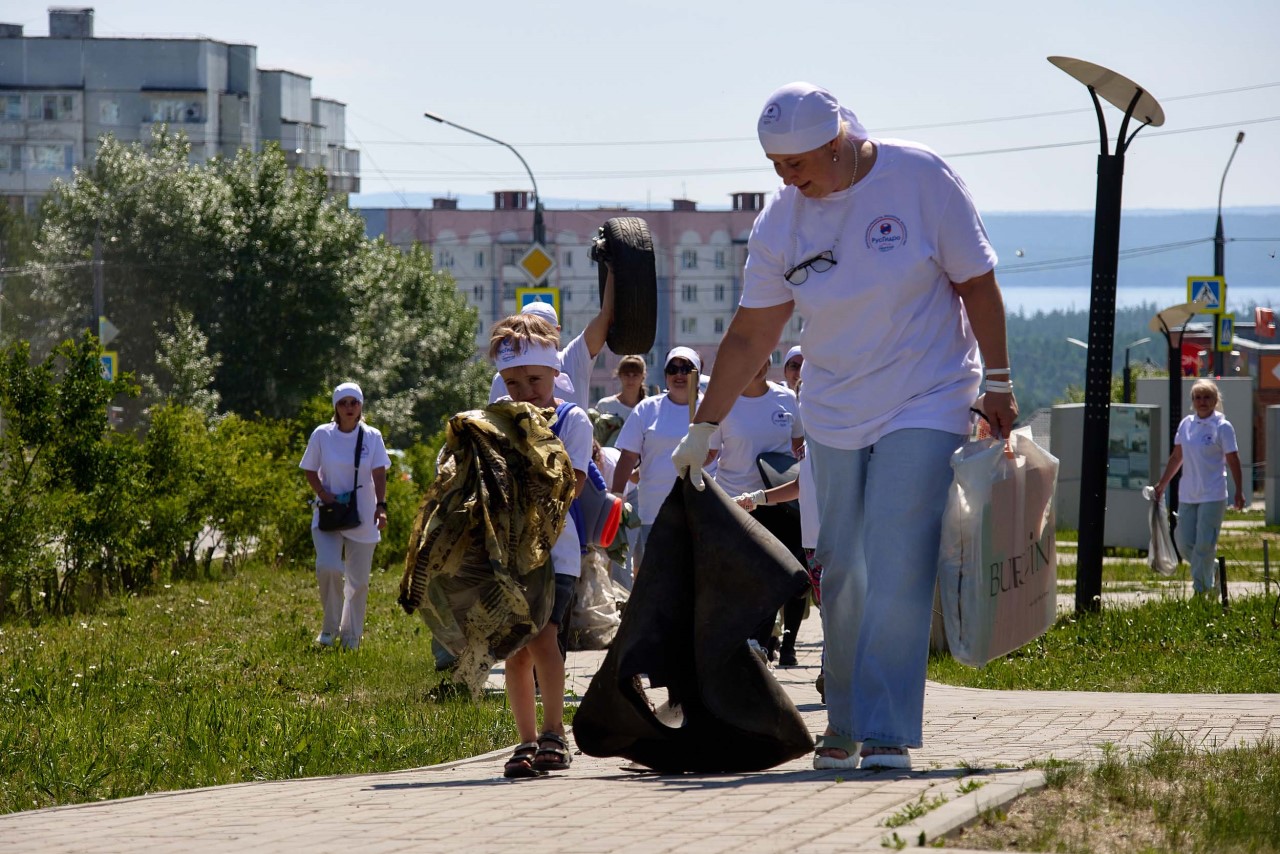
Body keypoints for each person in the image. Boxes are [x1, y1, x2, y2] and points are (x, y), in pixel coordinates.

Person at [672, 82, 1017, 771]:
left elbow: (976, 282)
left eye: (796, 164)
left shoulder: (919, 177)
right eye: (776, 166)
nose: (786, 177)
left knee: (895, 553)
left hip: (927, 393)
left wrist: (1001, 383)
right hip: (833, 406)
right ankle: (845, 722)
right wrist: (705, 426)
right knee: (841, 563)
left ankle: (886, 729)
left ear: (836, 142)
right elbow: (751, 332)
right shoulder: (782, 221)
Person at [489, 313, 592, 778]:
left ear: (554, 374)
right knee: (515, 650)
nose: (524, 390)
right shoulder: (495, 424)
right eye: (512, 382)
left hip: (556, 551)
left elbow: (573, 484)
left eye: (533, 379)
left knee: (547, 638)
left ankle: (556, 731)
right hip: (510, 553)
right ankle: (526, 739)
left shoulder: (573, 420)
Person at [713, 359, 807, 666]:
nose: (757, 365)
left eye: (764, 359)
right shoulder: (725, 401)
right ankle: (734, 645)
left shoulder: (786, 399)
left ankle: (762, 647)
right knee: (739, 579)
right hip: (735, 503)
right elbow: (711, 452)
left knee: (773, 577)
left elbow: (798, 450)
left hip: (776, 503)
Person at [300, 382, 391, 651]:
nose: (349, 408)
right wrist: (322, 492)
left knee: (358, 581)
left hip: (362, 514)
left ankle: (351, 636)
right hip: (328, 514)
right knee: (328, 567)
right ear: (335, 407)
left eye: (354, 402)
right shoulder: (322, 435)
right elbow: (308, 468)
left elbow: (379, 473)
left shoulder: (372, 436)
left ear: (361, 406)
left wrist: (381, 506)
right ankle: (329, 629)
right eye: (343, 403)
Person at [611, 347, 717, 578]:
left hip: (698, 510)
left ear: (698, 374)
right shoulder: (648, 409)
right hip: (655, 509)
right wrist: (616, 495)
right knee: (654, 578)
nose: (679, 375)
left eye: (686, 369)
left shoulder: (710, 409)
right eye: (673, 369)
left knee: (694, 577)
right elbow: (628, 456)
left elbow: (717, 454)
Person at [1152, 378, 1246, 594]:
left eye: (1206, 397)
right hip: (1188, 494)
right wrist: (1162, 484)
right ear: (1192, 401)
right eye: (1197, 397)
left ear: (1215, 400)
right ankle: (1211, 569)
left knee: (1205, 544)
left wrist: (1239, 490)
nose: (1202, 401)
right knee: (1184, 543)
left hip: (1213, 494)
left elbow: (1233, 459)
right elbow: (1177, 457)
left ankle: (1202, 592)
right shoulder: (1187, 425)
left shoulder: (1222, 426)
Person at [486, 268, 615, 410]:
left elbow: (605, 317)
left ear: (557, 332)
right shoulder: (504, 377)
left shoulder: (572, 358)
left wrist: (612, 266)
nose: (537, 339)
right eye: (530, 333)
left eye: (543, 332)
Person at [596, 354, 649, 423]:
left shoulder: (650, 406)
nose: (630, 380)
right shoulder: (605, 406)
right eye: (627, 375)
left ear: (643, 377)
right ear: (619, 375)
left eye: (635, 375)